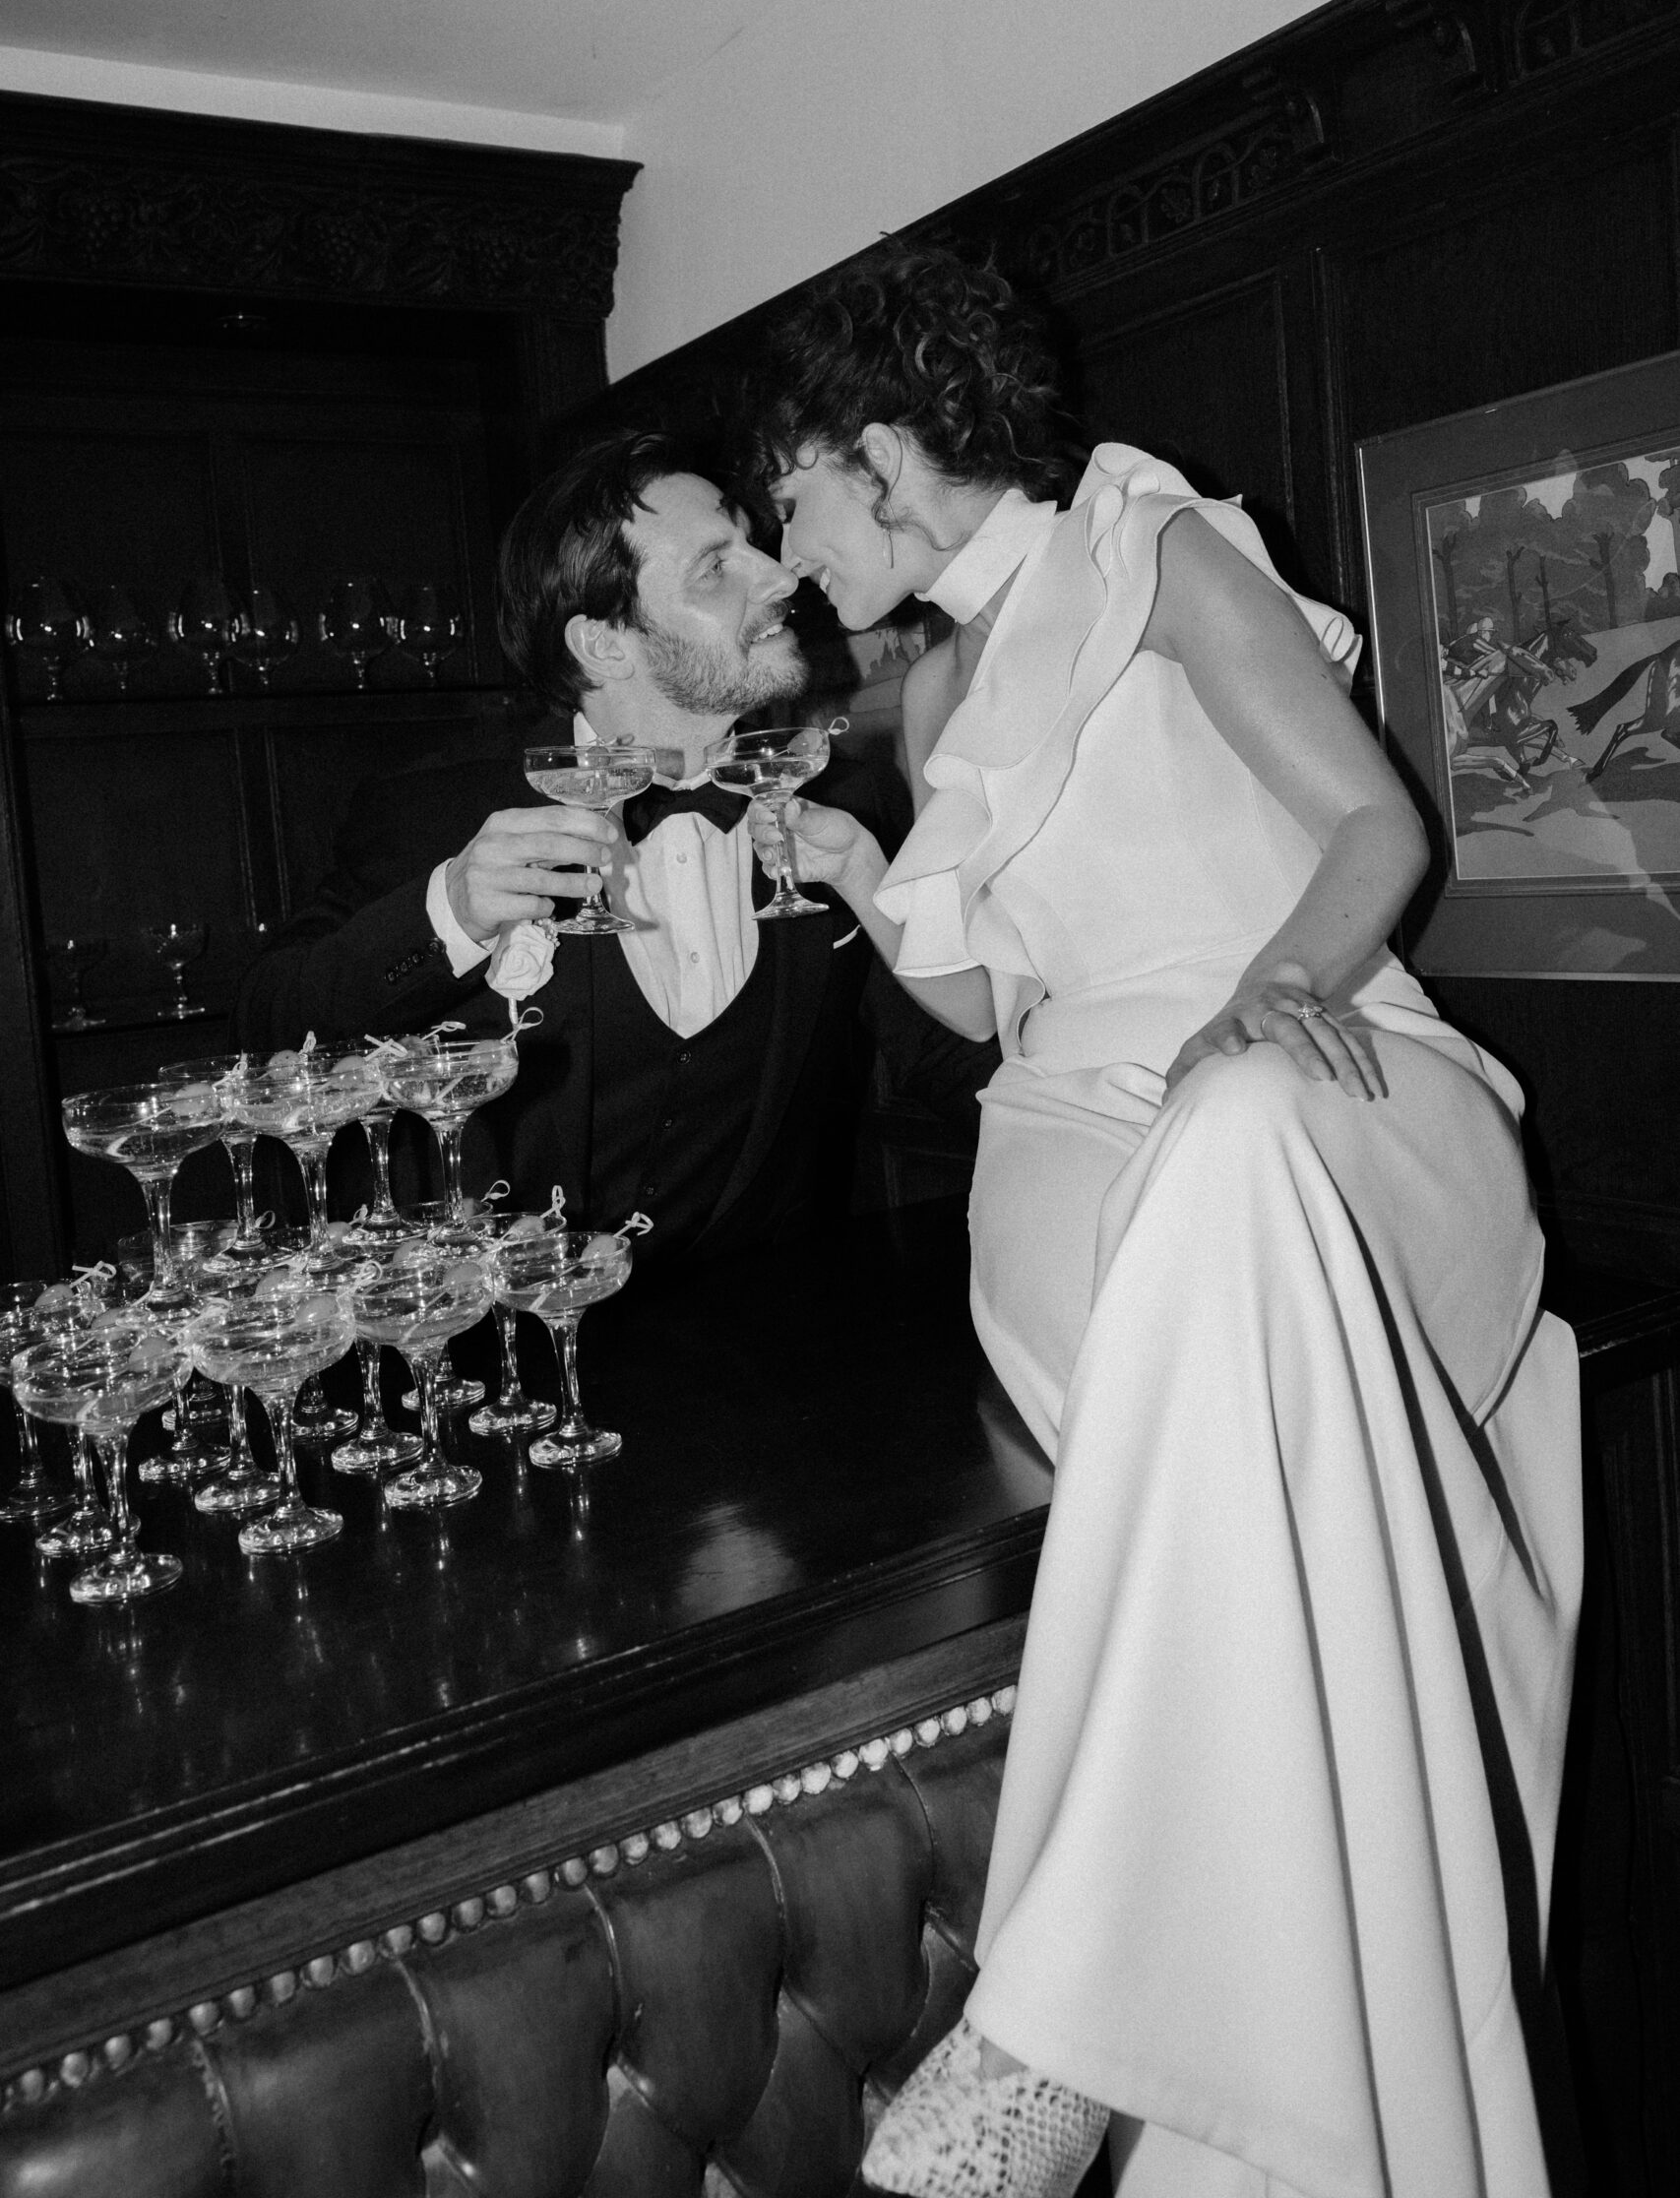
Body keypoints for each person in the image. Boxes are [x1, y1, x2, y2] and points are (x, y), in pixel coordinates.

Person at [746, 248, 1582, 2198]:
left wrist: (1265, 997)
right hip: (1074, 1158)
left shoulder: (1149, 545)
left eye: (788, 501)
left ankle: (1053, 2025)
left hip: (1325, 1082)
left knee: (1231, 1142)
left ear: (877, 452)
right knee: (1188, 1189)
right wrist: (869, 871)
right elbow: (984, 1000)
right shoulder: (934, 684)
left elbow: (1378, 831)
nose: (790, 555)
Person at [236, 427, 990, 1259]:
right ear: (602, 643)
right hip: (502, 1354)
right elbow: (274, 1029)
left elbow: (942, 1054)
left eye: (752, 541)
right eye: (717, 567)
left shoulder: (843, 805)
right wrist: (447, 910)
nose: (779, 575)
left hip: (759, 1343)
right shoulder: (431, 809)